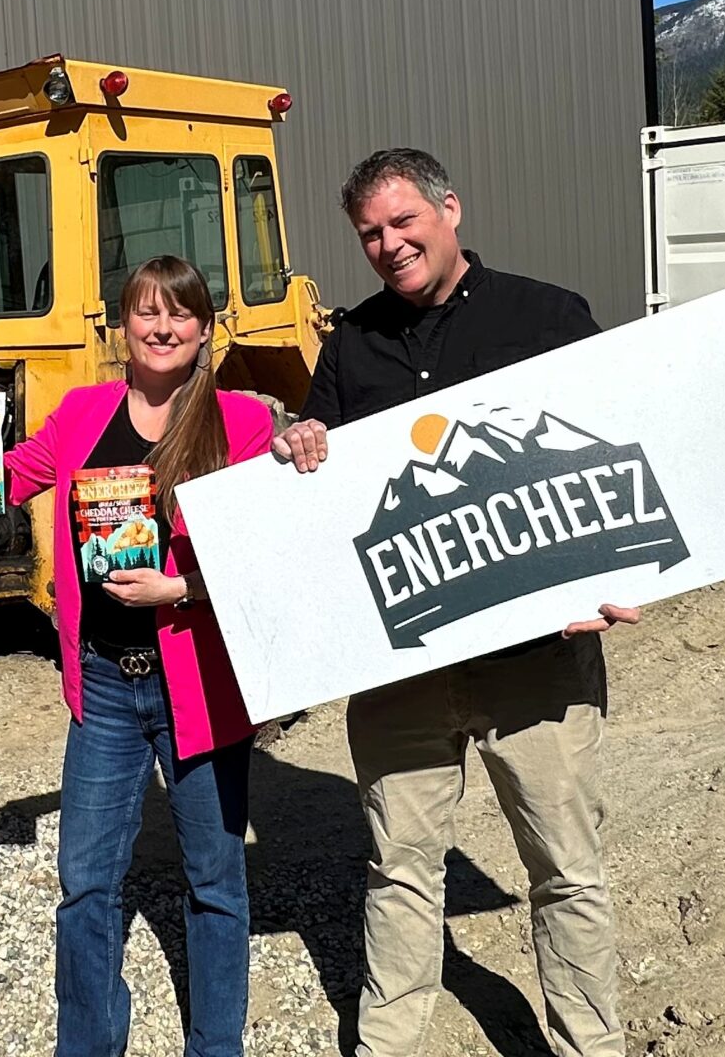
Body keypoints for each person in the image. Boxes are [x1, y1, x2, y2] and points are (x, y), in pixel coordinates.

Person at [271, 148, 638, 1057]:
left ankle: (590, 1046)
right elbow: (323, 474)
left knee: (567, 872)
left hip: (540, 665)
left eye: (403, 223)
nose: (390, 246)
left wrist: (620, 582)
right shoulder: (351, 343)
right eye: (370, 236)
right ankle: (387, 1046)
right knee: (398, 874)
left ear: (450, 210)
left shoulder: (547, 315)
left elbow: (627, 444)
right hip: (405, 671)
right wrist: (301, 439)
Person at [2, 254, 277, 1057]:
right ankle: (87, 1044)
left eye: (180, 315)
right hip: (105, 686)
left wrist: (180, 590)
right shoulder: (82, 411)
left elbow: (265, 551)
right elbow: (12, 479)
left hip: (198, 681)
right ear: (121, 326)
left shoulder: (239, 422)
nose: (162, 329)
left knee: (215, 886)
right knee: (85, 883)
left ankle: (215, 1046)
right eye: (146, 314)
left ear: (203, 328)